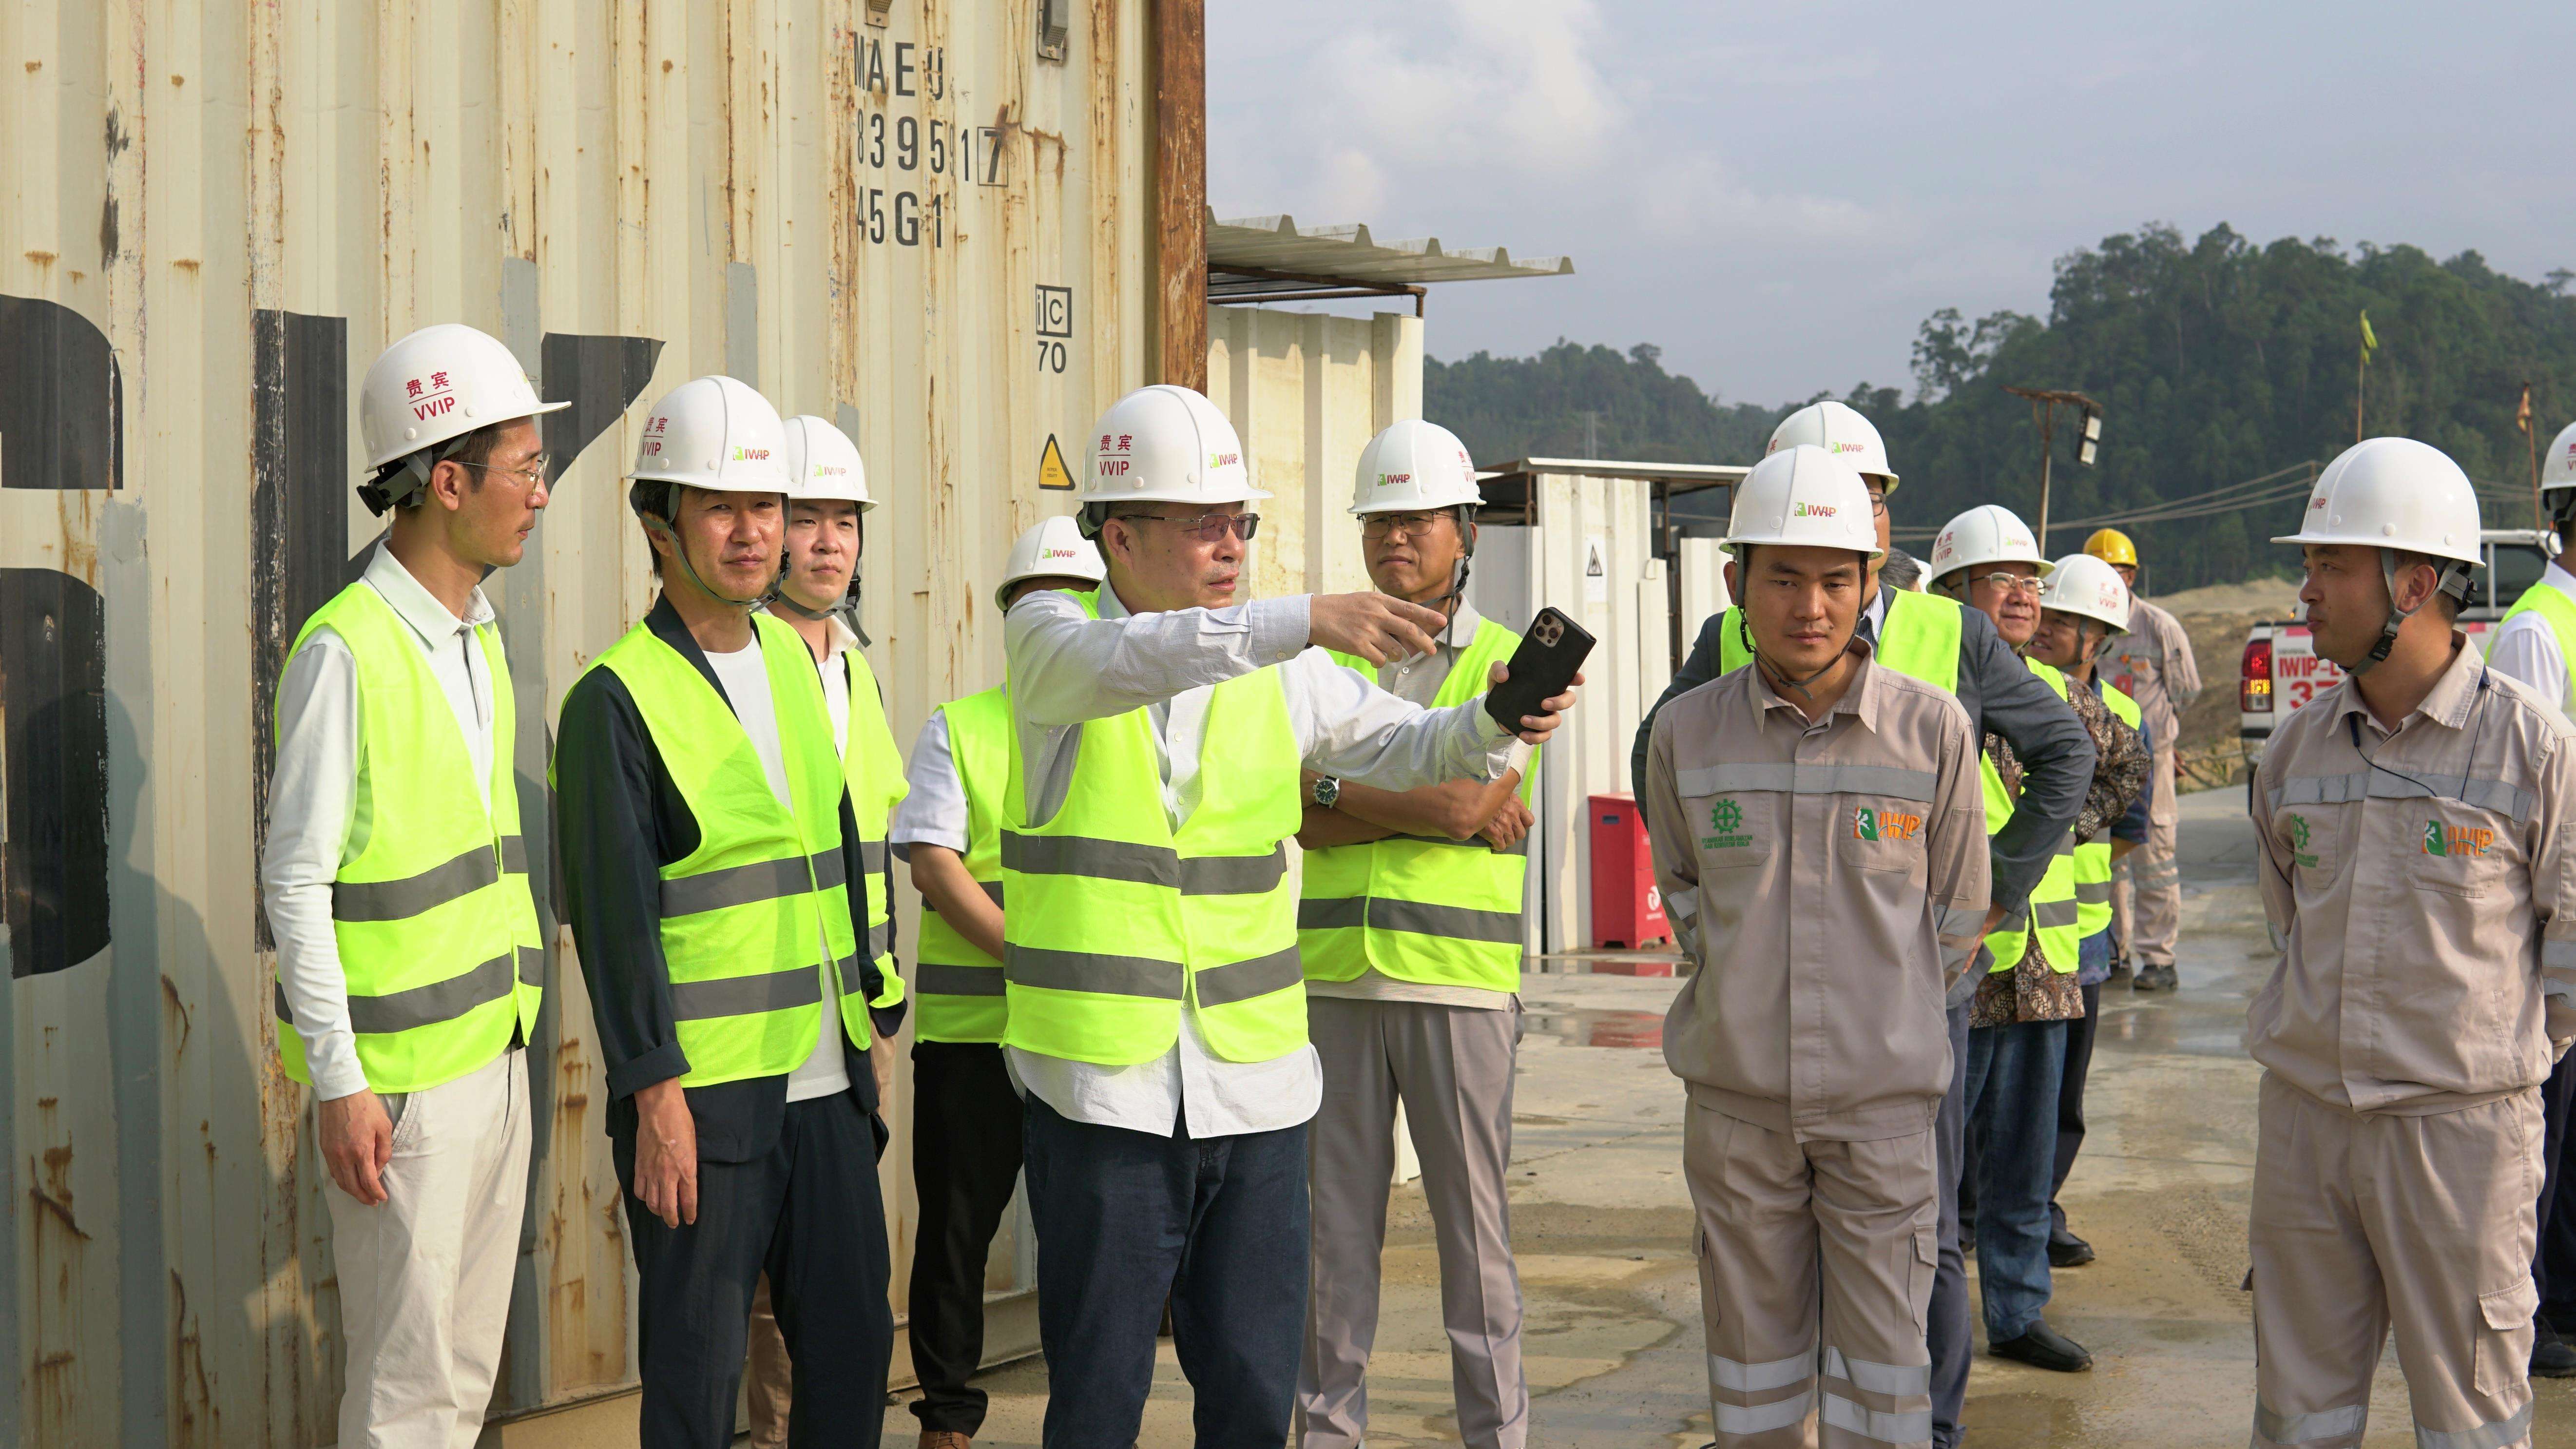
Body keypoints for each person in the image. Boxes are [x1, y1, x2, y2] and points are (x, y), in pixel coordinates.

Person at [1002, 384, 1576, 1449]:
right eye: (1204, 524)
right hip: (1107, 1097)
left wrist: (1498, 718)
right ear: (1118, 536)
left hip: (1256, 1093)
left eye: (1241, 523)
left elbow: (1410, 743)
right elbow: (1131, 658)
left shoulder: (1283, 669)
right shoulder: (1051, 636)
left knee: (1255, 1399)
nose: (1231, 546)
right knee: (1099, 1396)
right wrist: (1300, 619)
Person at [1639, 401, 2093, 1449]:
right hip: (1739, 1110)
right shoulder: (1685, 733)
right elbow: (1688, 894)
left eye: (1835, 580)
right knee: (1752, 1386)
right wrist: (1750, 996)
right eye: (1783, 578)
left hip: (1885, 1112)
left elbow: (1956, 916)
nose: (1810, 606)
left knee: (1887, 1388)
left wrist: (1888, 1017)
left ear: (1869, 582)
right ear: (1736, 584)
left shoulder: (1930, 730)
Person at [554, 376, 902, 1449]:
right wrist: (654, 1095)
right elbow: (615, 927)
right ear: (660, 526)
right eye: (721, 508)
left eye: (767, 506)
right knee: (699, 1382)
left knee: (851, 1359)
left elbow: (839, 852)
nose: (754, 533)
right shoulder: (614, 698)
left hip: (826, 1085)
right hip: (705, 1104)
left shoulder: (799, 662)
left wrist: (872, 1019)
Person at [262, 323, 558, 1449]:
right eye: (525, 468)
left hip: (494, 1054)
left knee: (459, 1377)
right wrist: (343, 1085)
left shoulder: (476, 634)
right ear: (447, 481)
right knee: (404, 1392)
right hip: (404, 1091)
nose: (540, 493)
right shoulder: (347, 649)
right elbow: (294, 881)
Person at [2246, 437, 2576, 1449]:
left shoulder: (2533, 747)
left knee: (2470, 1420)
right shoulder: (2294, 751)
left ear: (2415, 584)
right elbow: (2289, 925)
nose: (2307, 591)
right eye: (2310, 565)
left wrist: (2472, 1070)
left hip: (2459, 1140)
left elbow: (2569, 974)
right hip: (2307, 1129)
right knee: (2298, 1414)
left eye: (2331, 566)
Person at [1295, 419, 1538, 1449]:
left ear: (1464, 531)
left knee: (1474, 1239)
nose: (1395, 537)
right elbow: (1297, 810)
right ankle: (1326, 1435)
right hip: (1332, 981)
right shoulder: (1320, 656)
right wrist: (1411, 802)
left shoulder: (1509, 662)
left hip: (1455, 983)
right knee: (1329, 1245)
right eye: (1379, 521)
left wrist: (1340, 790)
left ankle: (1498, 1436)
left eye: (1418, 519)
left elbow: (1468, 803)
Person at [891, 515, 1106, 1449]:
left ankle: (1088, 1412)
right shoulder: (964, 724)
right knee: (956, 1234)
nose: (1056, 618)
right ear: (1008, 615)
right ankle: (946, 1418)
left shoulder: (1120, 727)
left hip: (1085, 1032)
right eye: (1036, 602)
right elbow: (933, 862)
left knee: (1089, 1239)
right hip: (973, 1037)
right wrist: (1031, 952)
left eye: (1077, 602)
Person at [740, 412, 909, 1445]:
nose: (828, 541)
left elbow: (871, 855)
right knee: (769, 1296)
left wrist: (882, 1009)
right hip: (760, 1025)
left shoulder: (853, 668)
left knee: (841, 1298)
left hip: (851, 1023)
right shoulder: (740, 666)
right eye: (807, 518)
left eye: (845, 520)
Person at [1925, 505, 2096, 1374]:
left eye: (2032, 580)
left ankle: (2018, 1311)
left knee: (2026, 1162)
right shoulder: (1932, 681)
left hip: (2041, 964)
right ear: (1953, 592)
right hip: (1963, 962)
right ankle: (1928, 1326)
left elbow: (2110, 782)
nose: (2024, 595)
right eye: (2002, 579)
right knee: (1938, 1169)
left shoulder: (2059, 694)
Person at [2468, 416, 2576, 1379]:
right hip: (2556, 918)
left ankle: (2565, 1295)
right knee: (2543, 1129)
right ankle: (2527, 1308)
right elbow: (2525, 801)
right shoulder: (2540, 627)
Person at [2022, 555, 2153, 1271]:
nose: (2046, 628)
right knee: (1996, 1087)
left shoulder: (2124, 718)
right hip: (2010, 930)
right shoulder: (2010, 696)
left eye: (2065, 620)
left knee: (2062, 1092)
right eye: (2045, 615)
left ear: (2097, 636)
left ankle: (2040, 1208)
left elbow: (2130, 826)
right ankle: (1981, 1208)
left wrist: (2071, 855)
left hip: (2084, 937)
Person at [2083, 527, 2201, 992]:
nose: (2109, 580)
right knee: (2105, 859)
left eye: (2117, 572)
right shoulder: (2089, 624)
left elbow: (2186, 689)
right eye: (2099, 572)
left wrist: (2161, 739)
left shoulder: (2159, 626)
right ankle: (2117, 950)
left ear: (2131, 576)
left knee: (2155, 860)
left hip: (2153, 759)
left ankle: (2158, 958)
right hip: (2100, 764)